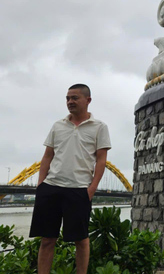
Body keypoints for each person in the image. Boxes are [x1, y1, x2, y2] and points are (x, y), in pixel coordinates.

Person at [29, 84, 111, 274]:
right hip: (51, 187)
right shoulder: (58, 125)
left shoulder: (100, 127)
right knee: (47, 239)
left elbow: (101, 160)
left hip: (79, 189)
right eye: (67, 98)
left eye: (74, 98)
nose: (70, 102)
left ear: (88, 100)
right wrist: (41, 185)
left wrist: (91, 189)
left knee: (81, 240)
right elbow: (48, 155)